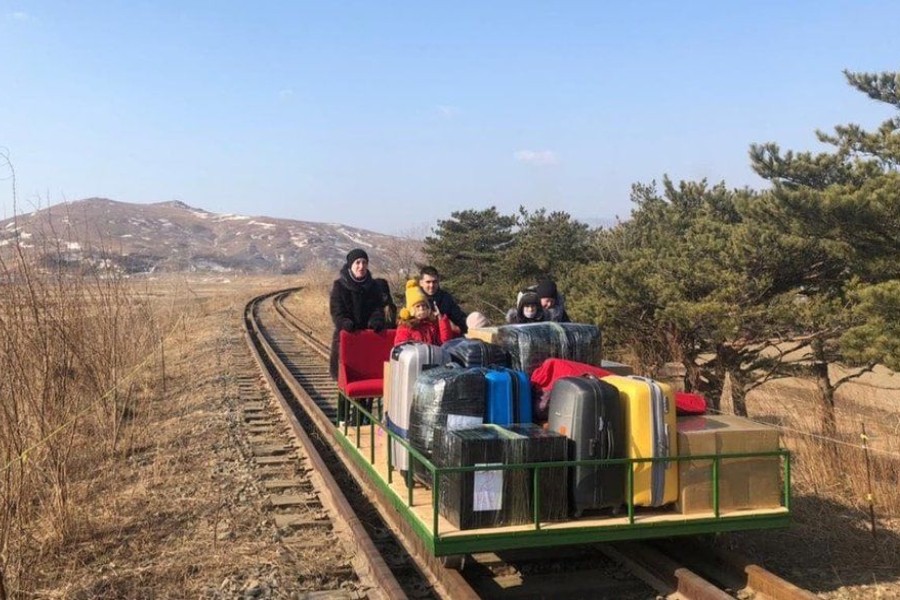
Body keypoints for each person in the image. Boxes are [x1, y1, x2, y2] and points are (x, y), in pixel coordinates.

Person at [328, 248, 386, 379]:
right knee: (346, 377)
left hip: (368, 336)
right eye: (358, 262)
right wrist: (344, 322)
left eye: (364, 262)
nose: (361, 266)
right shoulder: (339, 286)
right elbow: (336, 310)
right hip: (347, 335)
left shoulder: (374, 286)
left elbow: (378, 308)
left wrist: (376, 320)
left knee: (368, 374)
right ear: (350, 265)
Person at [394, 280, 457, 345]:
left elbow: (445, 342)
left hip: (434, 351)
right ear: (411, 310)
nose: (421, 308)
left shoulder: (432, 323)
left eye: (423, 305)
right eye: (418, 306)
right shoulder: (406, 327)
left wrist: (441, 320)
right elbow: (401, 347)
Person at [418, 266, 468, 334]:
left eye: (434, 282)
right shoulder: (415, 300)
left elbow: (458, 317)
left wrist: (462, 327)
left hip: (447, 336)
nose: (431, 285)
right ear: (421, 283)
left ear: (438, 281)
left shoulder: (445, 297)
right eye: (428, 282)